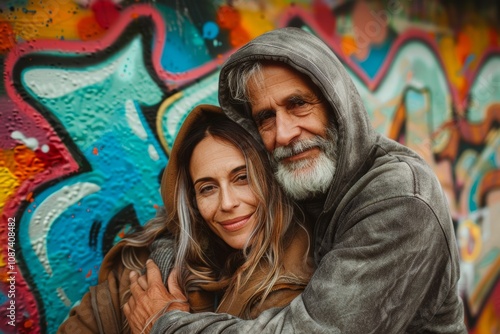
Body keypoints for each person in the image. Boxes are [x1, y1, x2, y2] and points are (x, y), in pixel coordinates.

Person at [132, 27, 466, 333]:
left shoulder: (401, 200)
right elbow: (191, 225)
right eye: (265, 117)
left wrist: (167, 324)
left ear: (337, 105)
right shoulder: (297, 173)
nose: (284, 133)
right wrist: (164, 272)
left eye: (298, 105)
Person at [57, 104, 313, 333]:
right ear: (191, 201)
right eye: (207, 188)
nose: (227, 203)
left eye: (242, 177)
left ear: (273, 179)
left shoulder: (304, 290)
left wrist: (162, 326)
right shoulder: (147, 266)